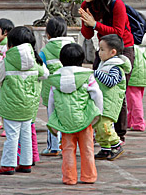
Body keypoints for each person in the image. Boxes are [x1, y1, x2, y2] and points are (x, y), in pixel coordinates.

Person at [79, 0, 134, 143]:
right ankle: (99, 129)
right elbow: (87, 34)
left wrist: (95, 24)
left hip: (123, 49)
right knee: (96, 88)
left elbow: (118, 33)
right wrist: (88, 22)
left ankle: (119, 133)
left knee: (117, 92)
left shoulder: (117, 4)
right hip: (103, 50)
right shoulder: (87, 5)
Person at [0, 26, 49, 175]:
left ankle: (8, 164)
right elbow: (45, 74)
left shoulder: (7, 62)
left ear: (11, 44)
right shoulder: (36, 61)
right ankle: (25, 163)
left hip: (10, 106)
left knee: (12, 136)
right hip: (29, 107)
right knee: (25, 135)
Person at [47, 43, 103, 185]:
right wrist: (97, 113)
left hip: (65, 121)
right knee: (87, 149)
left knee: (67, 151)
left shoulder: (56, 79)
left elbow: (51, 102)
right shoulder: (86, 76)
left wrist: (53, 120)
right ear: (81, 59)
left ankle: (69, 178)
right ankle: (89, 176)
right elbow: (97, 94)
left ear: (61, 60)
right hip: (84, 120)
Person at [39, 16, 75, 156]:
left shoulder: (46, 50)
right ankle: (68, 144)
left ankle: (53, 147)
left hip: (52, 90)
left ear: (48, 34)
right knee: (69, 116)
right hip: (72, 88)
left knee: (53, 118)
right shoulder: (73, 46)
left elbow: (41, 68)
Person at [93, 34, 131, 161]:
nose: (99, 52)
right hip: (102, 102)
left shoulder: (115, 67)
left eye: (102, 49)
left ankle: (117, 145)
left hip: (110, 103)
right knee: (98, 127)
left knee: (105, 127)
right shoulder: (105, 64)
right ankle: (105, 149)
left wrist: (96, 74)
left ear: (113, 52)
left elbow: (111, 82)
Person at [127, 24, 146, 132]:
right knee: (136, 98)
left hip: (134, 73)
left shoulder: (131, 39)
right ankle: (130, 120)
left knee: (134, 100)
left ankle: (138, 123)